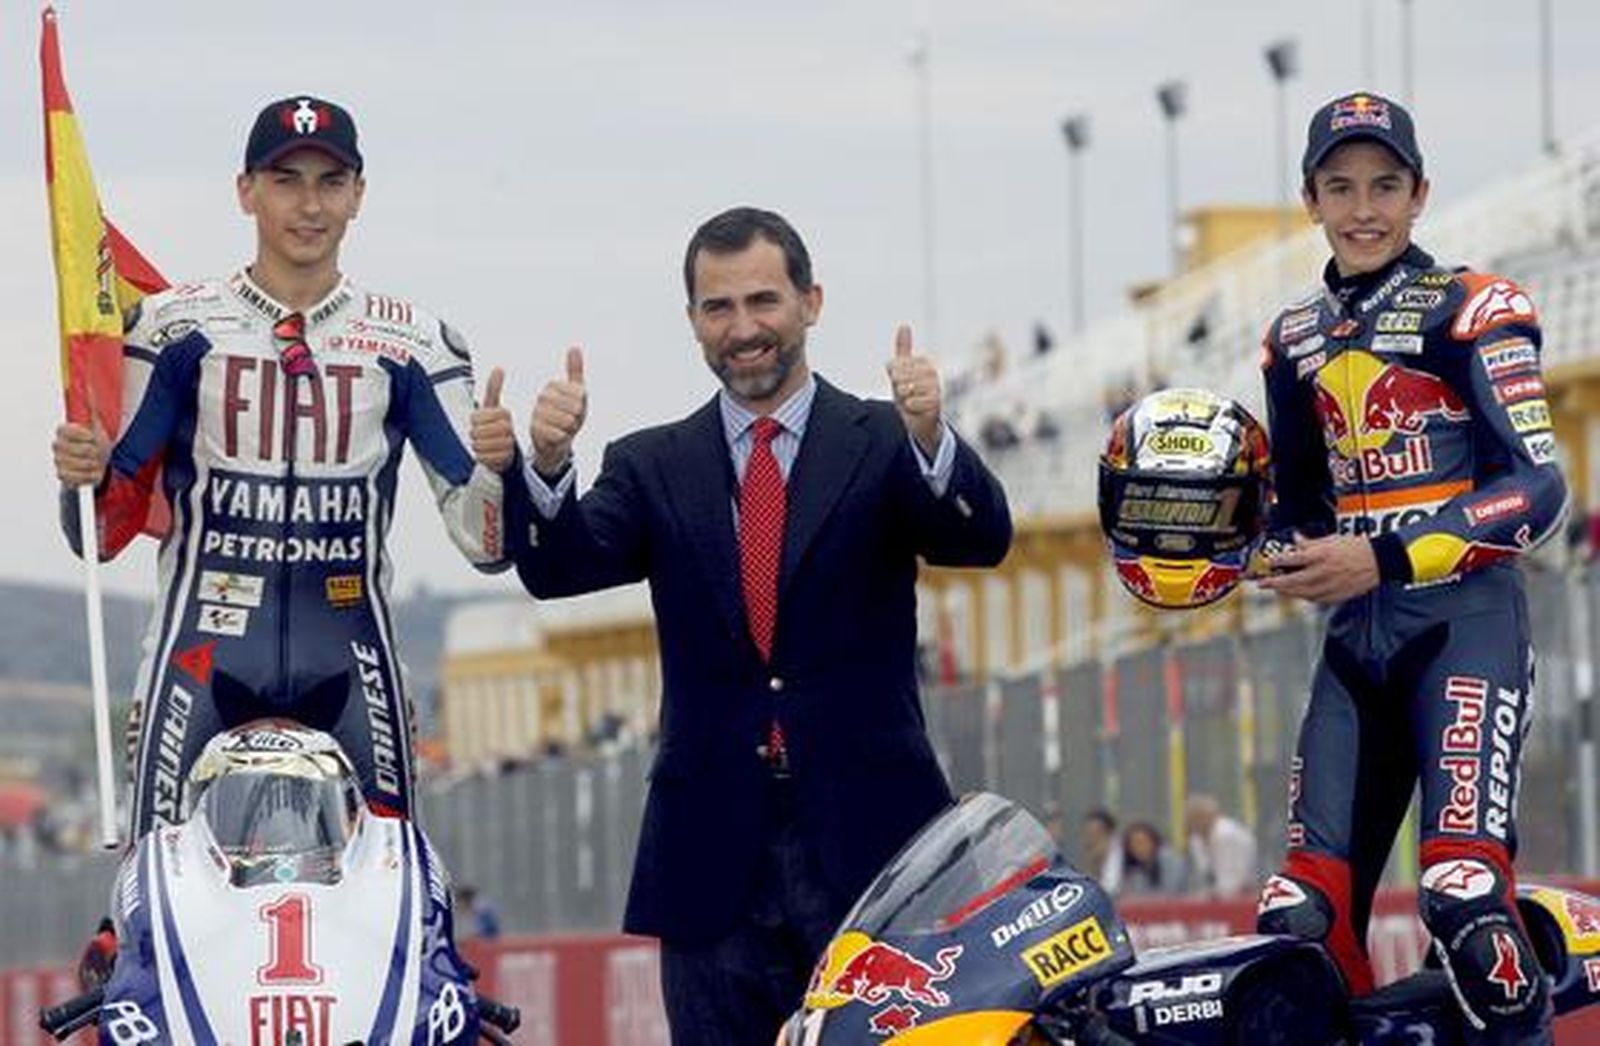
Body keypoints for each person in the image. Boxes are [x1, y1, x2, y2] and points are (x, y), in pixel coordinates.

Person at [469, 206, 1012, 1042]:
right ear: (693, 321)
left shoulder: (882, 439)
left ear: (811, 303)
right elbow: (559, 568)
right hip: (710, 861)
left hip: (875, 848)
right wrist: (542, 466)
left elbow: (979, 540)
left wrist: (931, 437)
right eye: (718, 307)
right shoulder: (651, 463)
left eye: (763, 301)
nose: (744, 328)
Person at [50, 95, 509, 837]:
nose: (310, 205)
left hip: (352, 654)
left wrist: (515, 468)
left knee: (403, 879)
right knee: (154, 880)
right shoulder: (172, 329)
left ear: (358, 194)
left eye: (330, 182)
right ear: (246, 191)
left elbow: (489, 544)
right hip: (199, 652)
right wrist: (83, 473)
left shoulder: (414, 344)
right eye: (286, 180)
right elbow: (98, 534)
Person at [1255, 91, 1564, 1042]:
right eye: (1341, 187)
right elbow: (1297, 509)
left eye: (1385, 186)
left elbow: (1539, 488)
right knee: (1296, 925)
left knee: (1464, 899)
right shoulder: (1290, 338)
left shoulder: (1476, 308)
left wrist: (1381, 556)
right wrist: (1235, 554)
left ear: (1420, 193)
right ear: (1310, 200)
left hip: (1465, 632)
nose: (1364, 208)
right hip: (1354, 649)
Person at [1183, 794, 1256, 898]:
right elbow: (1204, 875)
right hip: (1217, 894)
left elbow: (1232, 881)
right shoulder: (1196, 840)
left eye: (1196, 818)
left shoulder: (1227, 835)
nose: (1190, 823)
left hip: (1243, 894)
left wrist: (1206, 896)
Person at [1121, 820, 1186, 896]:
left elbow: (1172, 893)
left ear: (1154, 842)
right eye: (1134, 845)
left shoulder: (1173, 863)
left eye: (1142, 842)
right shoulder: (1134, 871)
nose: (1139, 848)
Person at [1080, 807, 1123, 895]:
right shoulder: (1094, 862)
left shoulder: (1123, 864)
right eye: (1089, 835)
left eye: (1096, 835)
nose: (1091, 841)